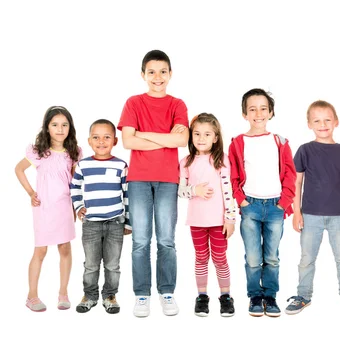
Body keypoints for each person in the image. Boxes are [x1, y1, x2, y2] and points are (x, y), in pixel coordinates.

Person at [118, 49, 189, 317]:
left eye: (162, 71)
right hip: (138, 179)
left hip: (169, 179)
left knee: (167, 240)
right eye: (151, 72)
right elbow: (128, 141)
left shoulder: (177, 105)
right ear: (143, 75)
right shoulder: (134, 103)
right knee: (140, 240)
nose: (157, 77)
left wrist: (143, 134)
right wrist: (163, 136)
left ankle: (167, 291)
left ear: (170, 74)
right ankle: (142, 294)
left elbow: (180, 141)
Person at [285, 100, 340, 315]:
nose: (323, 124)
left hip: (339, 215)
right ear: (309, 124)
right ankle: (303, 295)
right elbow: (297, 182)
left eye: (327, 119)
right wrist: (296, 212)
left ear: (336, 122)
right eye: (317, 120)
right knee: (307, 258)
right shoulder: (305, 150)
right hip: (310, 215)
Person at [228, 88, 296, 317]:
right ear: (244, 114)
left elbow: (290, 173)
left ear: (271, 112)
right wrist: (242, 201)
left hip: (276, 206)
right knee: (253, 257)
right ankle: (255, 296)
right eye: (252, 109)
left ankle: (270, 296)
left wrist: (284, 202)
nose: (258, 113)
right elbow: (233, 176)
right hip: (251, 207)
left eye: (263, 108)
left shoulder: (280, 141)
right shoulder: (238, 143)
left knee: (272, 257)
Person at [15, 105, 81, 312]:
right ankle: (31, 295)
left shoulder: (73, 152)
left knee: (65, 248)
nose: (60, 129)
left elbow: (73, 181)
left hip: (64, 206)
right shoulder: (38, 152)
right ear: (47, 127)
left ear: (70, 127)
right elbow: (19, 169)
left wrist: (74, 207)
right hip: (44, 207)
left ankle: (63, 292)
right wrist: (30, 192)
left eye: (64, 125)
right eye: (55, 125)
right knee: (40, 250)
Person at [178, 113, 237, 317]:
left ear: (215, 137)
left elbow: (229, 192)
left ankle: (226, 296)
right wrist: (195, 191)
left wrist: (230, 218)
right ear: (191, 136)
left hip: (219, 221)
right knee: (201, 258)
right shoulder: (186, 162)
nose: (201, 138)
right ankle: (202, 296)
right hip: (197, 221)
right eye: (196, 134)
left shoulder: (222, 160)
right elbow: (180, 190)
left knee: (220, 259)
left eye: (206, 134)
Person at [70, 119, 131, 314]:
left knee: (113, 265)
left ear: (115, 140)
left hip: (115, 222)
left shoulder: (121, 165)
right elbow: (75, 187)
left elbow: (127, 194)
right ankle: (90, 295)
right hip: (91, 224)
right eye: (96, 137)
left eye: (106, 137)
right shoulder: (83, 165)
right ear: (89, 141)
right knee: (91, 264)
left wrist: (128, 221)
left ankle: (110, 296)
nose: (101, 141)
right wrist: (79, 206)